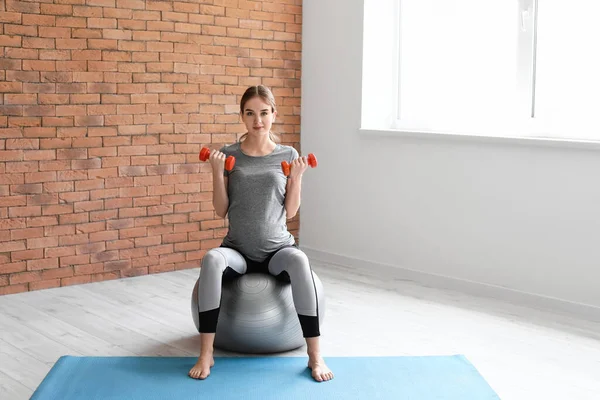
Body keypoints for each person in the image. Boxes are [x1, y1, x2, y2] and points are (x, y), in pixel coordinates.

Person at [188, 85, 334, 382]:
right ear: (242, 116)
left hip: (276, 251)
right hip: (238, 251)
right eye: (251, 113)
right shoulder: (228, 155)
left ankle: (315, 356)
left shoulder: (287, 154)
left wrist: (296, 178)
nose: (258, 120)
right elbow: (221, 210)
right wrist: (218, 172)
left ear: (273, 114)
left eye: (264, 113)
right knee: (211, 260)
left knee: (300, 261)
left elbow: (290, 211)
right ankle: (206, 354)